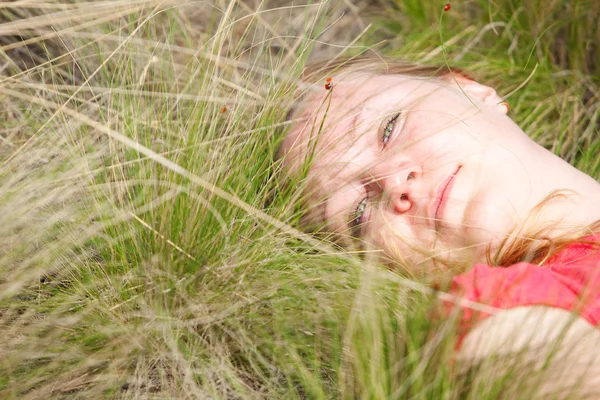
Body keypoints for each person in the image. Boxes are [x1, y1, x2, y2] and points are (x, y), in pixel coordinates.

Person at [278, 56, 600, 397]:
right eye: (358, 214)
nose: (392, 183)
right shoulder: (503, 316)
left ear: (471, 90)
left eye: (388, 129)